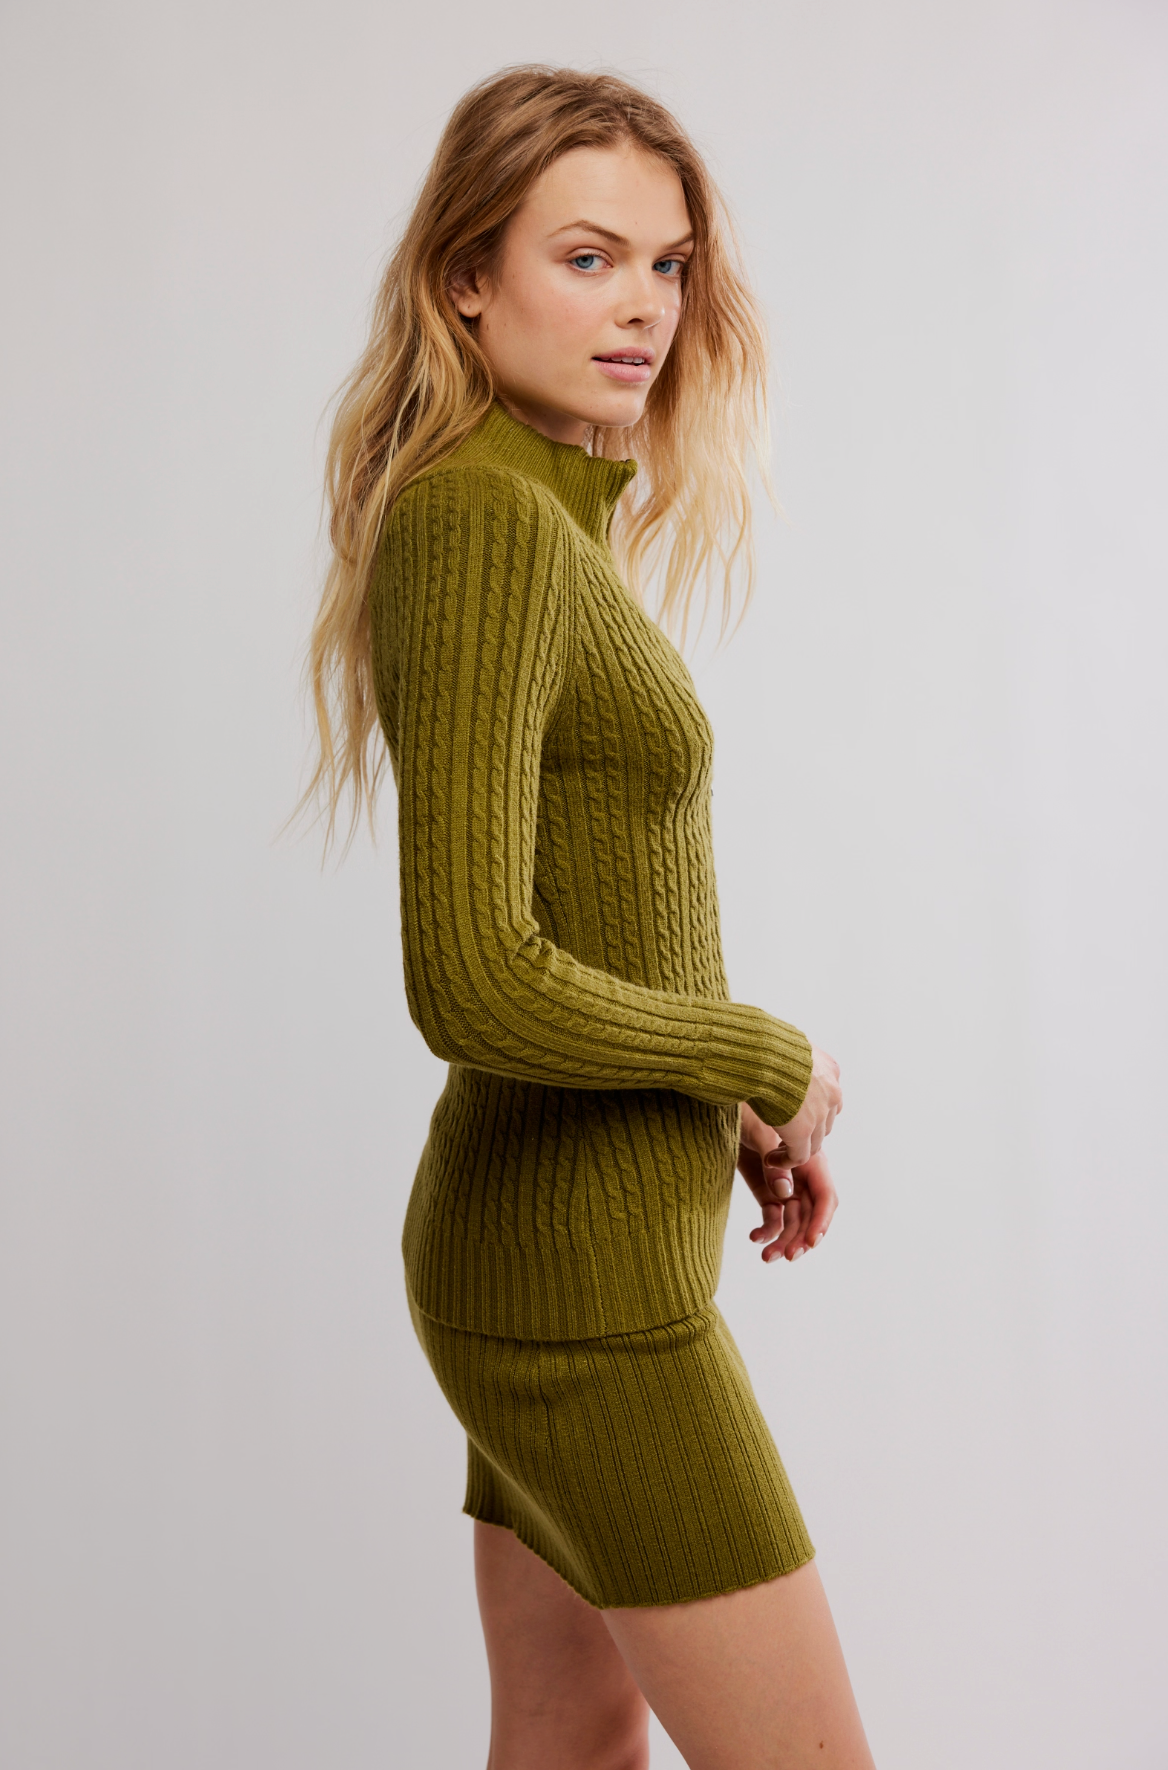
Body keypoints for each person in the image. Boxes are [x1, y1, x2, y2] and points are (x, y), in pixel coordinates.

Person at [302, 63, 875, 1770]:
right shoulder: (479, 526)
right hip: (582, 1297)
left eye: (670, 265)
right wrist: (757, 1050)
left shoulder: (543, 512)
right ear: (465, 277)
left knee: (570, 1746)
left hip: (556, 1253)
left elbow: (592, 920)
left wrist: (715, 1104)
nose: (645, 307)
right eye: (589, 257)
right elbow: (474, 977)